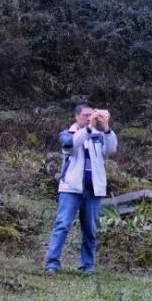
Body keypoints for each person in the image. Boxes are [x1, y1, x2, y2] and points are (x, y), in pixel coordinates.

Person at [44, 103, 118, 275]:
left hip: (93, 189)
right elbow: (70, 145)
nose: (89, 118)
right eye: (85, 115)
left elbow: (112, 149)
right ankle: (52, 263)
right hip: (71, 188)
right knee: (62, 225)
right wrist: (89, 128)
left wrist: (106, 127)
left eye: (91, 115)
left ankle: (87, 265)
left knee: (90, 229)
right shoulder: (67, 134)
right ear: (76, 116)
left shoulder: (99, 135)